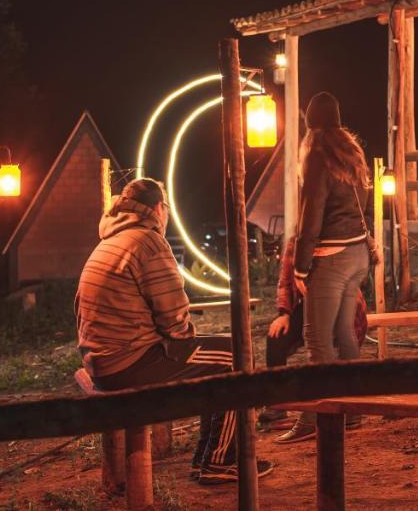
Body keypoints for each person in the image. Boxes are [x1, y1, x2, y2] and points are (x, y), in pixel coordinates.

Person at [75, 178, 273, 484]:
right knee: (236, 356)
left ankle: (206, 458)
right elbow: (173, 317)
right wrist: (186, 341)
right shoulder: (148, 241)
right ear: (158, 208)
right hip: (128, 363)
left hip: (101, 361)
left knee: (217, 354)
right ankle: (221, 461)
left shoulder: (110, 240)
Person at [277, 92, 374, 444]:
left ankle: (311, 420)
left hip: (331, 259)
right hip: (356, 256)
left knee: (316, 338)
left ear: (310, 126)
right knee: (344, 334)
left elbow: (311, 217)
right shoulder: (353, 155)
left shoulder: (317, 156)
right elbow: (360, 205)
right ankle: (352, 413)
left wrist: (300, 269)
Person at [259, 233, 369, 428]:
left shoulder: (338, 235)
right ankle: (277, 405)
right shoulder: (296, 240)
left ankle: (347, 411)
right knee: (276, 337)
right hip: (309, 303)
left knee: (338, 343)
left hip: (341, 303)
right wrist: (283, 313)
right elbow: (285, 280)